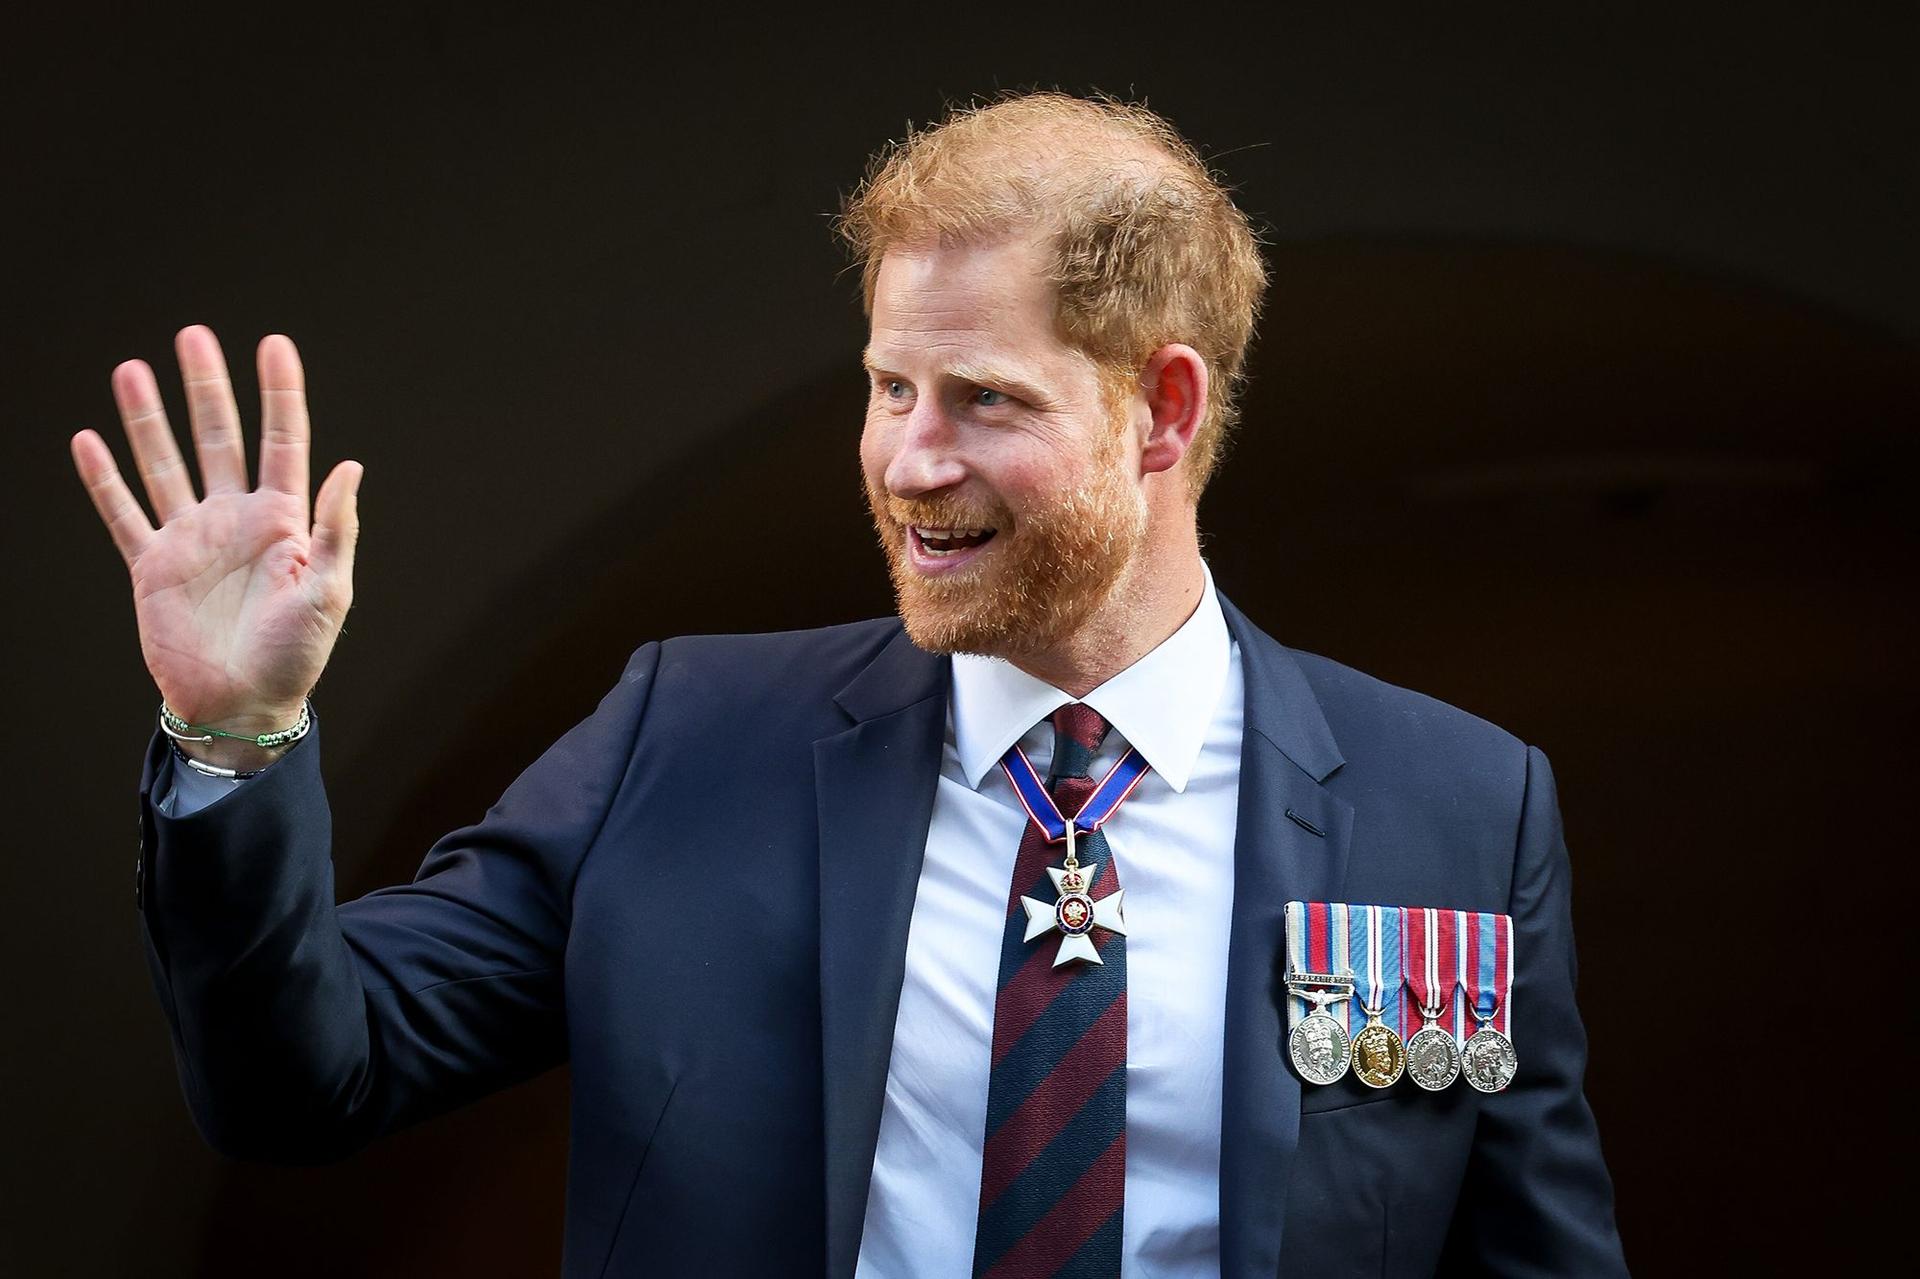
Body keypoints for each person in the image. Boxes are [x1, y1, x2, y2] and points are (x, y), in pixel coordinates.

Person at [71, 93, 1627, 1277]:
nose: (909, 459)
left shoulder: (1461, 807)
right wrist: (235, 735)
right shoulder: (685, 739)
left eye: (983, 399)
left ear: (1161, 413)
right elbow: (302, 1078)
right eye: (888, 386)